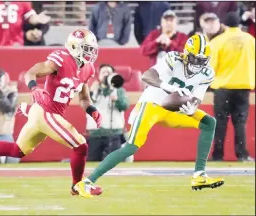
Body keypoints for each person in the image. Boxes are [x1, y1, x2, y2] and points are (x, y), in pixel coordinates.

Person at [0, 29, 103, 196]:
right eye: (86, 48)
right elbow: (32, 72)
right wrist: (34, 88)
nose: (90, 53)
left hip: (46, 114)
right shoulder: (61, 59)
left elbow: (84, 98)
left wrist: (92, 110)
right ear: (74, 47)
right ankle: (77, 185)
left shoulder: (87, 69)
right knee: (80, 145)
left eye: (91, 49)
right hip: (45, 112)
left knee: (17, 150)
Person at [74, 34, 225, 198]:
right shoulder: (173, 59)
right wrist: (168, 87)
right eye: (195, 59)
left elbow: (197, 97)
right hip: (151, 105)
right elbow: (147, 76)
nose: (198, 64)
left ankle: (199, 176)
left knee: (209, 122)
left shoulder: (207, 73)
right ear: (186, 54)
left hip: (175, 109)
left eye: (202, 60)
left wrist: (191, 108)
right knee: (131, 147)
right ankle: (86, 182)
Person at [210, 12, 255, 162]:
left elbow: (211, 67)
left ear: (224, 25)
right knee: (240, 122)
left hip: (223, 87)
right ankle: (242, 154)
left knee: (220, 122)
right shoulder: (250, 40)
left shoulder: (218, 41)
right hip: (243, 86)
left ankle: (218, 155)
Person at [86, 64, 129, 161]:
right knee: (92, 162)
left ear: (113, 75)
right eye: (103, 72)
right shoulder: (92, 89)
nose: (105, 74)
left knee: (114, 162)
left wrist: (117, 100)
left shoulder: (119, 90)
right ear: (99, 75)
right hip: (95, 133)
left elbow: (124, 106)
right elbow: (85, 106)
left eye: (108, 72)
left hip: (114, 133)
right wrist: (92, 92)